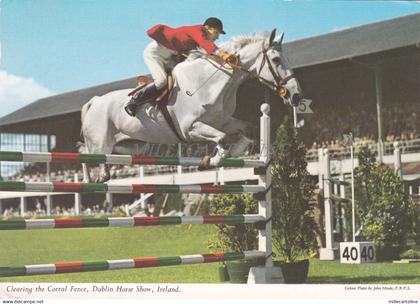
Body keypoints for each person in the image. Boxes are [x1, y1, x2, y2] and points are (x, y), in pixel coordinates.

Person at [125, 17, 237, 116]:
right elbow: (208, 46)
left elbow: (209, 54)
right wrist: (224, 55)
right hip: (155, 54)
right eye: (216, 33)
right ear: (208, 28)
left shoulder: (198, 39)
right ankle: (134, 100)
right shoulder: (196, 30)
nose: (217, 37)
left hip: (169, 58)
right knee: (161, 81)